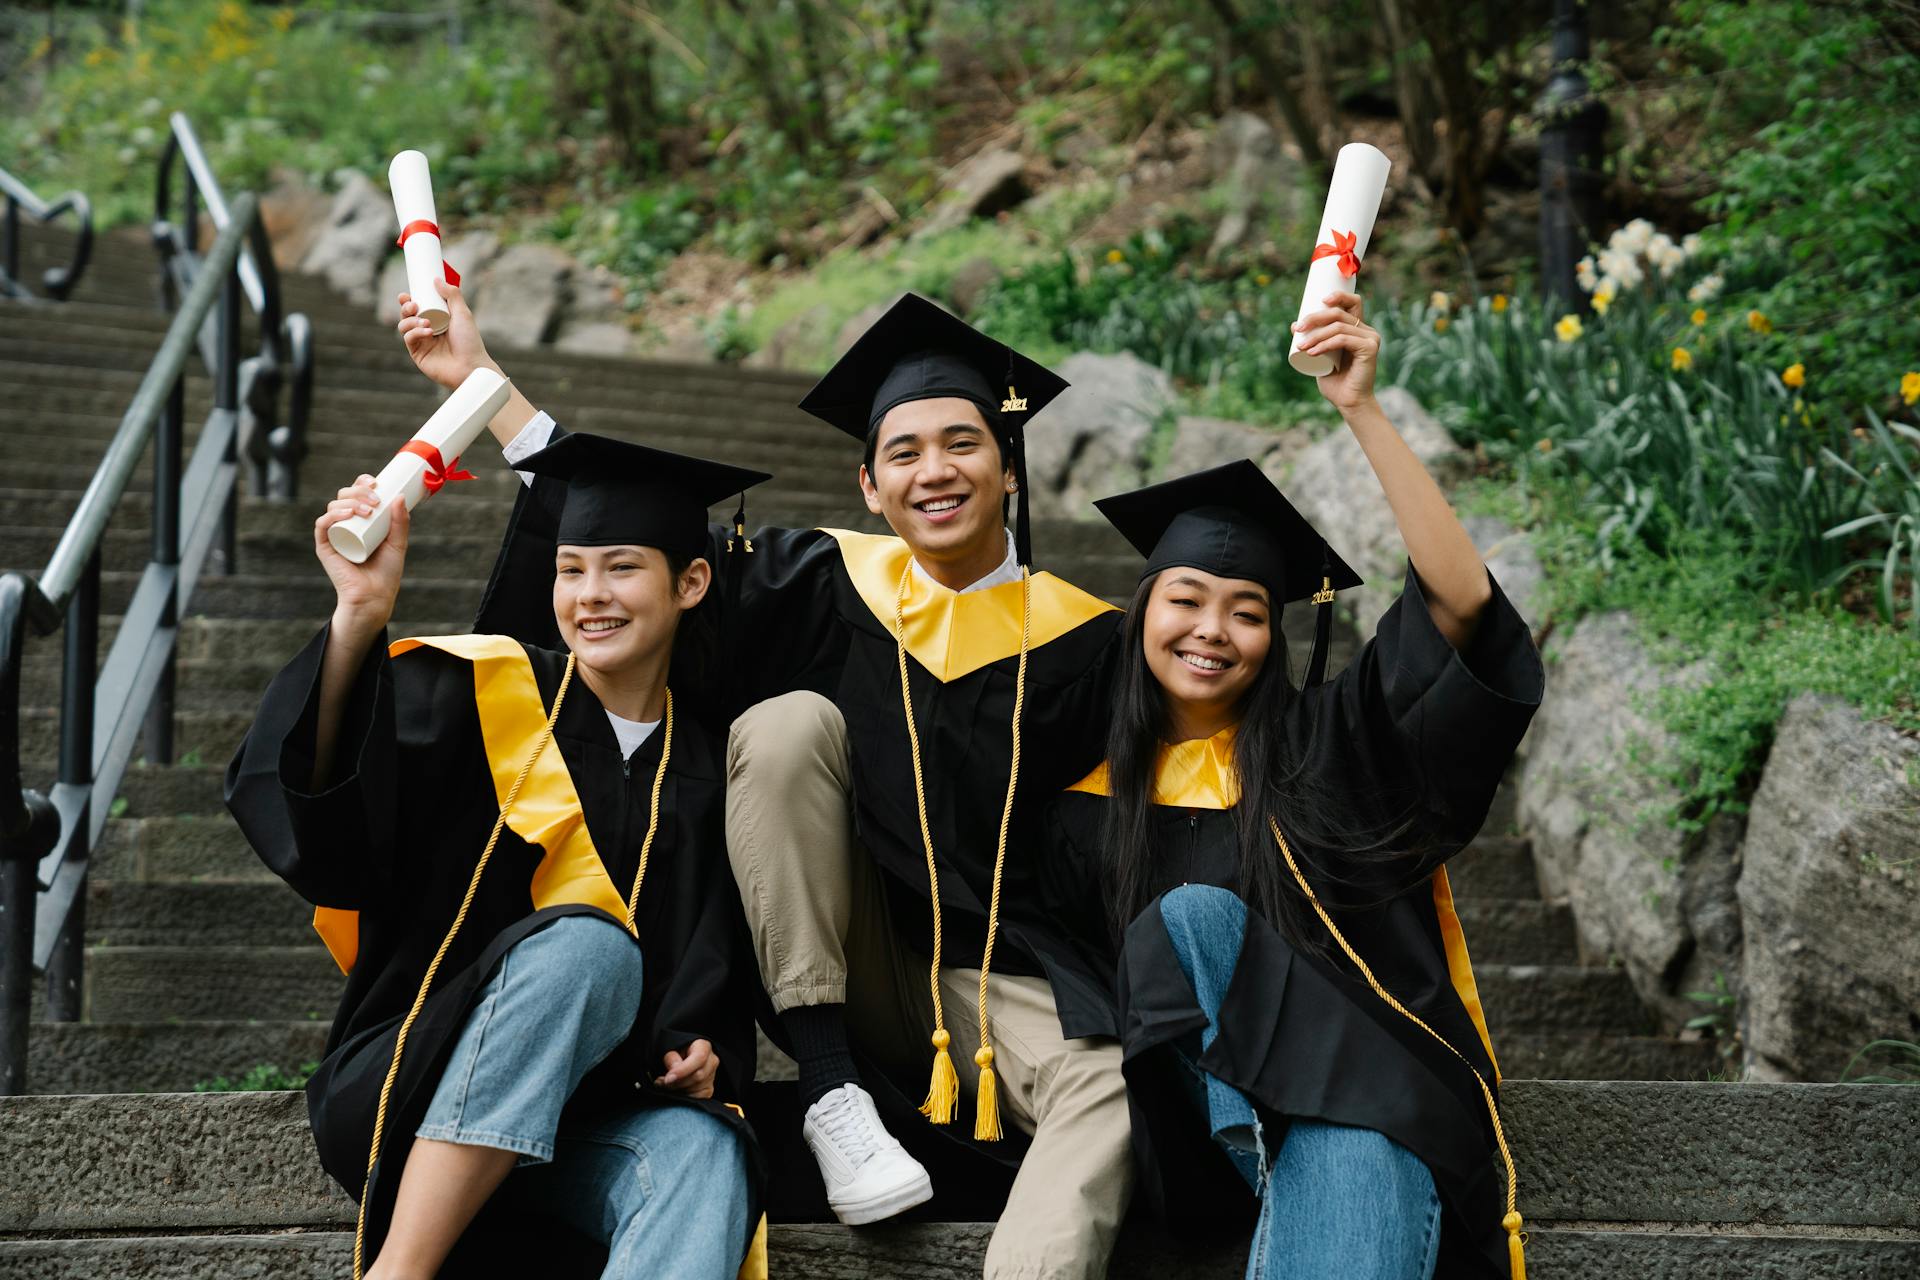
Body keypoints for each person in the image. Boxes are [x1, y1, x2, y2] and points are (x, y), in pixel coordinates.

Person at [395, 284, 1134, 1277]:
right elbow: (627, 584)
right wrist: (490, 392)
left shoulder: (1092, 641)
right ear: (868, 485)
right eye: (902, 453)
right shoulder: (814, 579)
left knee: (1110, 1083)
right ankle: (830, 1093)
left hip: (985, 977)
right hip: (836, 944)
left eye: (961, 443)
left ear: (1008, 467)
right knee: (786, 727)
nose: (934, 471)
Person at [1041, 295, 1545, 1279]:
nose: (1212, 630)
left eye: (1247, 611)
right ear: (1140, 613)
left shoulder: (1328, 751)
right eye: (1185, 599)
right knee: (1188, 920)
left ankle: (1309, 1143)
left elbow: (1462, 606)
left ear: (1277, 637)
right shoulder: (1081, 803)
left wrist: (1361, 409)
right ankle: (1270, 1130)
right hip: (1191, 1143)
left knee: (1357, 1134)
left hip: (1371, 1102)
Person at [225, 432, 772, 1279]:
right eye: (570, 569)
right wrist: (361, 616)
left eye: (621, 568)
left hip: (588, 1123)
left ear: (691, 582)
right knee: (588, 943)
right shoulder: (483, 696)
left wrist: (707, 1056)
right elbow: (328, 826)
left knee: (707, 1151)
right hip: (415, 1089)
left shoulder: (716, 769)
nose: (591, 596)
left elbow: (715, 977)